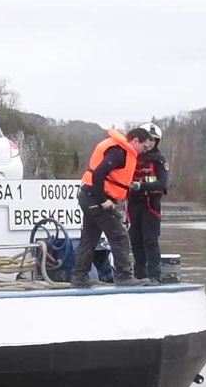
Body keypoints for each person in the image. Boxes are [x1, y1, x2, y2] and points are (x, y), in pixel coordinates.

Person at [70, 127, 153, 288]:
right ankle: (124, 277)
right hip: (95, 198)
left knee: (89, 239)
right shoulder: (119, 153)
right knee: (119, 236)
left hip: (88, 196)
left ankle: (79, 277)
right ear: (135, 141)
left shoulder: (121, 151)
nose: (144, 151)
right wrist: (103, 200)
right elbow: (99, 174)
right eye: (144, 147)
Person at [127, 122, 170, 284]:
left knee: (150, 240)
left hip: (150, 204)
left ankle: (154, 275)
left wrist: (141, 186)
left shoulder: (159, 160)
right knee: (135, 240)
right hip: (133, 203)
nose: (150, 143)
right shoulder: (132, 156)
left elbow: (162, 183)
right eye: (148, 139)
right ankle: (139, 274)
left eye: (154, 140)